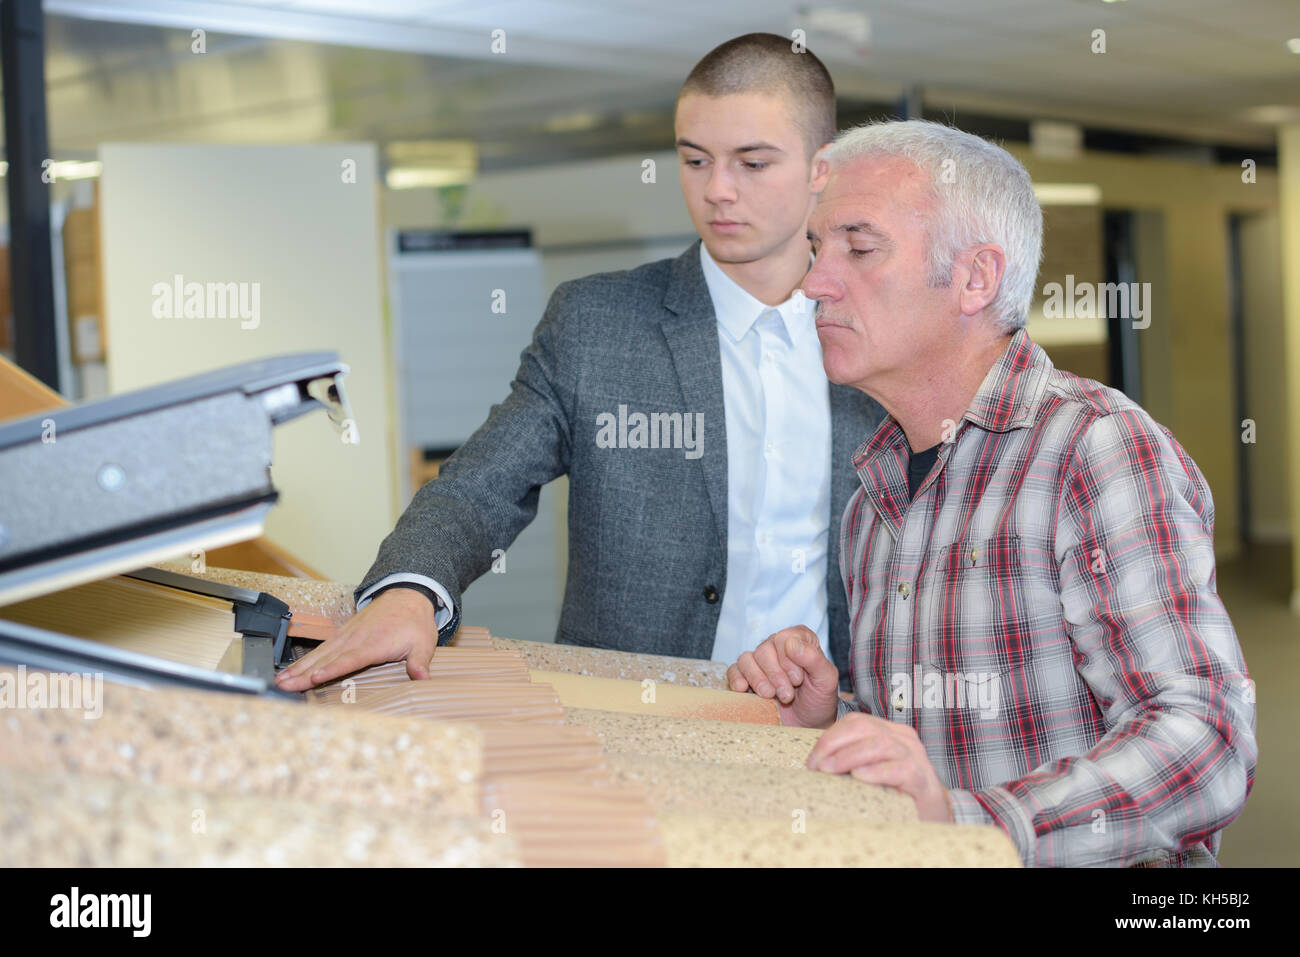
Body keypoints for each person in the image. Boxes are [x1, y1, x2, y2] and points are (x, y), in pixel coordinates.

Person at [277, 34, 884, 693]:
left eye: (753, 163)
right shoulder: (597, 324)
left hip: (829, 736)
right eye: (695, 159)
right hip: (633, 726)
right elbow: (479, 488)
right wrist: (411, 591)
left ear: (822, 168)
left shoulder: (882, 334)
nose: (718, 191)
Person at [726, 119, 1257, 867]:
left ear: (976, 279)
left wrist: (979, 828)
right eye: (817, 248)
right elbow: (939, 745)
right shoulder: (870, 497)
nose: (813, 281)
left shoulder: (1094, 449)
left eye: (859, 245)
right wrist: (830, 719)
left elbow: (1206, 741)